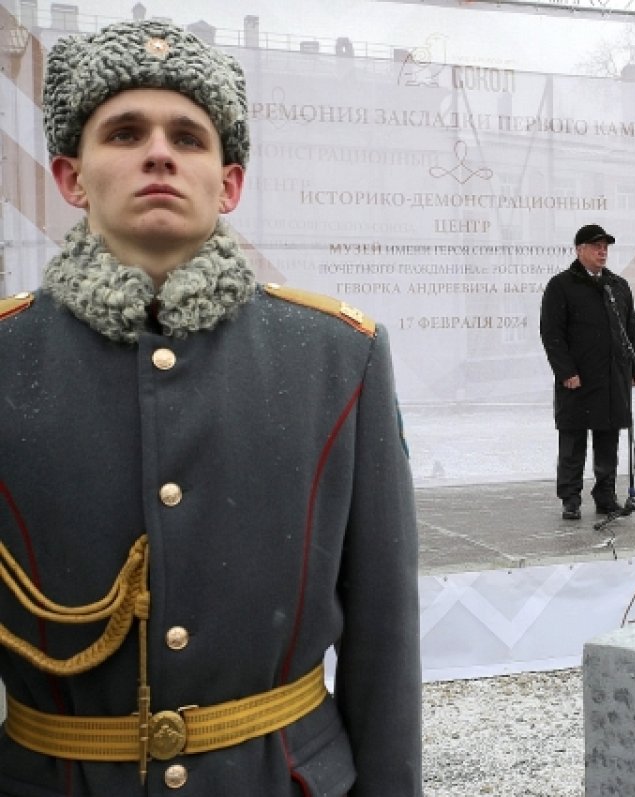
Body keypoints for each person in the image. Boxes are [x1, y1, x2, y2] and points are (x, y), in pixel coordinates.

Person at [0, 21, 421, 796]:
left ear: (228, 183)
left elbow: (384, 637)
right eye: (124, 132)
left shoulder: (337, 357)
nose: (158, 152)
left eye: (188, 137)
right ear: (70, 176)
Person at [540, 225, 635, 520]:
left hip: (612, 378)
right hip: (578, 380)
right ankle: (570, 498)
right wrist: (566, 372)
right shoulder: (561, 285)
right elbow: (552, 334)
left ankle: (605, 495)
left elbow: (632, 330)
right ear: (579, 250)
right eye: (596, 246)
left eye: (605, 247)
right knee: (573, 440)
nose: (602, 252)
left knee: (607, 440)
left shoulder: (618, 286)